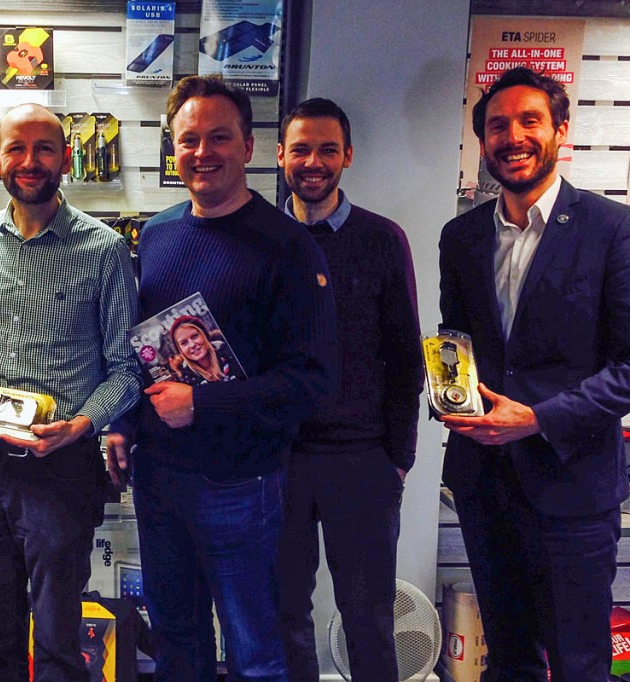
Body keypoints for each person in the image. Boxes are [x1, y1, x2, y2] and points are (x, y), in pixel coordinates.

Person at [106, 75, 337, 681]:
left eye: (219, 138)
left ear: (250, 147)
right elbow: (144, 350)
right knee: (177, 645)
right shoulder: (156, 235)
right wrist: (124, 425)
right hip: (158, 479)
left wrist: (203, 405)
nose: (202, 152)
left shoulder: (289, 246)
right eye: (189, 140)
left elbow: (312, 381)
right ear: (172, 149)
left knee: (256, 650)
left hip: (242, 485)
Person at [438, 67, 630, 681]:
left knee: (579, 663)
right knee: (509, 660)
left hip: (573, 488)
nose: (512, 136)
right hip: (485, 485)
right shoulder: (461, 236)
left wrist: (539, 419)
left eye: (529, 121)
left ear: (560, 132)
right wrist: (450, 392)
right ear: (482, 141)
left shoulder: (612, 230)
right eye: (497, 125)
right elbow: (457, 339)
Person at [0, 102, 140, 682]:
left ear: (66, 158)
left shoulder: (104, 250)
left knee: (56, 645)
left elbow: (125, 370)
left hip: (62, 468)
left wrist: (80, 426)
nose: (29, 162)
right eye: (16, 149)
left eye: (44, 149)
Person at [275, 98, 423, 682]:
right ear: (281, 155)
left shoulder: (383, 240)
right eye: (302, 149)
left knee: (368, 619)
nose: (314, 162)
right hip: (277, 459)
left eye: (328, 149)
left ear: (348, 157)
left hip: (362, 460)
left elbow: (405, 354)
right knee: (282, 611)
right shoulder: (258, 238)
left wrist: (400, 459)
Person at [169, 315, 234, 385]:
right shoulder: (185, 381)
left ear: (204, 335)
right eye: (184, 343)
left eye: (195, 336)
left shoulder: (231, 354)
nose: (192, 345)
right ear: (180, 350)